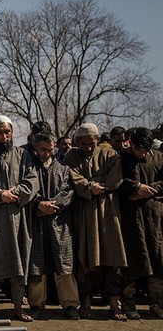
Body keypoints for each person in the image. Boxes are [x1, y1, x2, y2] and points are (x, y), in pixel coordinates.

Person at [0, 116, 39, 322]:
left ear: (12, 132)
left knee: (19, 260)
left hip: (17, 217)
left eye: (7, 132)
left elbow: (32, 180)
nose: (4, 136)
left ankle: (17, 307)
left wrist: (15, 193)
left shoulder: (23, 155)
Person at [65, 123, 127, 320]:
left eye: (92, 144)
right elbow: (72, 177)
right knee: (86, 255)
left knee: (112, 254)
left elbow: (115, 178)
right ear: (77, 142)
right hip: (84, 210)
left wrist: (96, 183)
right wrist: (89, 186)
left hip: (108, 210)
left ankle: (114, 301)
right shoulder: (71, 156)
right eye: (83, 144)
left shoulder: (110, 155)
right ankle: (86, 301)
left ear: (98, 140)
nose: (88, 148)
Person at [27, 132, 80, 320]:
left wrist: (53, 206)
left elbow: (69, 192)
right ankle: (36, 304)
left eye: (50, 150)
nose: (46, 154)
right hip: (37, 223)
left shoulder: (63, 168)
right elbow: (26, 190)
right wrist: (38, 204)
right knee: (36, 267)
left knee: (64, 265)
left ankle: (70, 304)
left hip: (60, 223)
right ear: (35, 147)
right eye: (42, 150)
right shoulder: (29, 167)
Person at [117, 127, 163, 319]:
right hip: (130, 217)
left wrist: (150, 189)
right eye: (137, 149)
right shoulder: (120, 158)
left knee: (158, 259)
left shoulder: (160, 158)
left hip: (155, 217)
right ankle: (128, 303)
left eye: (144, 150)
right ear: (130, 144)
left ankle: (157, 303)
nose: (141, 153)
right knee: (132, 260)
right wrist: (134, 187)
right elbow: (114, 182)